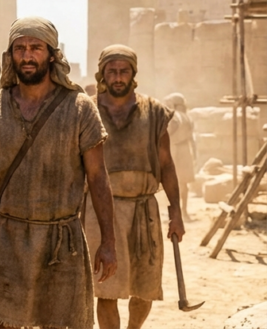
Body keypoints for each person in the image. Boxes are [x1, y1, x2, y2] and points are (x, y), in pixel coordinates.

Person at [0, 17, 116, 329]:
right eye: (19, 48)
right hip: (5, 238)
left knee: (61, 323)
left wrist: (108, 241)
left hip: (61, 242)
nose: (27, 55)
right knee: (1, 323)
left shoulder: (80, 108)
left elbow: (98, 178)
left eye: (35, 47)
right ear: (10, 56)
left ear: (52, 54)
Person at [88, 45, 185, 329]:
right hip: (101, 212)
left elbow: (166, 165)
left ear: (133, 74)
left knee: (145, 286)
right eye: (112, 71)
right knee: (106, 287)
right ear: (102, 74)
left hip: (145, 209)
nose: (118, 78)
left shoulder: (154, 112)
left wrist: (176, 212)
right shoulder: (87, 111)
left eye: (124, 71)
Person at [163, 93, 197, 222]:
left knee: (172, 182)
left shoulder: (175, 116)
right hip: (185, 151)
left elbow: (172, 128)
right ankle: (184, 211)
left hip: (175, 150)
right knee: (183, 183)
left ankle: (174, 212)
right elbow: (192, 139)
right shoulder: (188, 117)